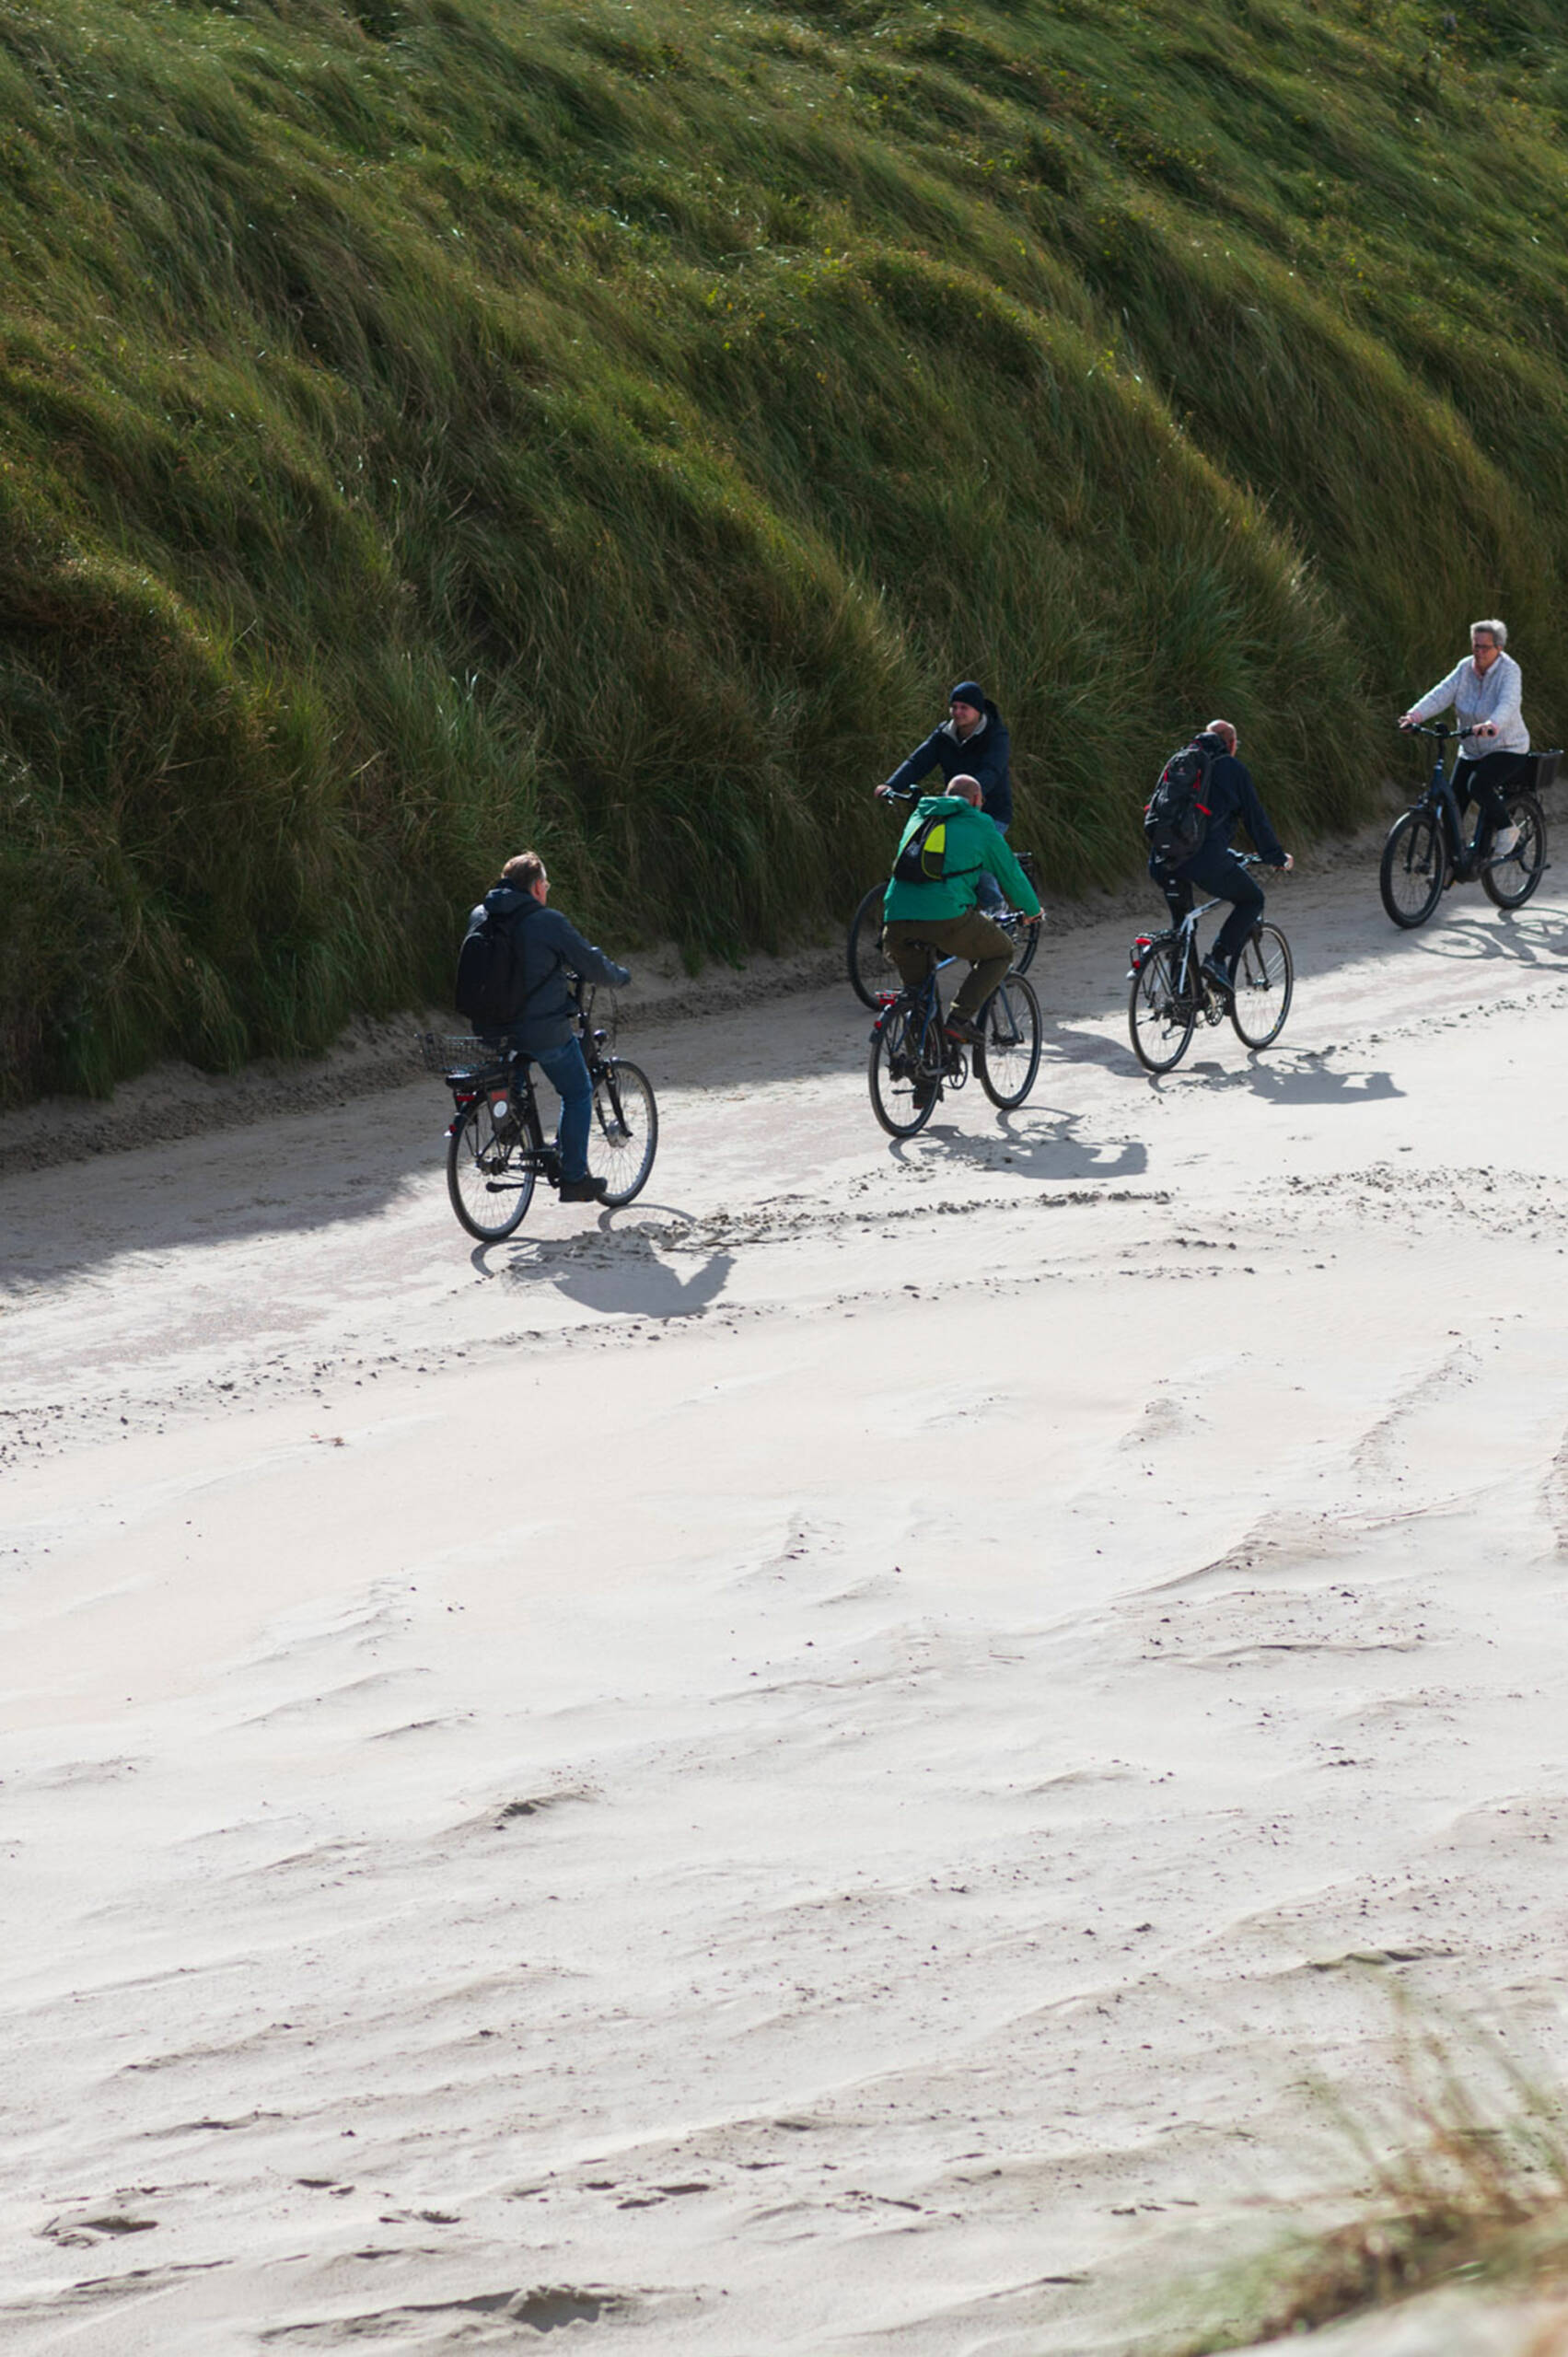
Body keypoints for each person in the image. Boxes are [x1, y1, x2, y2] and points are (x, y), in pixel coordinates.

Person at [464, 852, 632, 1204]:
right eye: (547, 885)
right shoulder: (548, 921)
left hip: (492, 1028)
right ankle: (573, 1178)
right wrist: (620, 977)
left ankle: (515, 1130)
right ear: (538, 886)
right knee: (577, 1091)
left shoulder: (481, 915)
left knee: (518, 1073)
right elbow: (591, 964)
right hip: (542, 1029)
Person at [880, 775, 1041, 1047]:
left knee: (918, 996)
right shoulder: (980, 824)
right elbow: (1010, 873)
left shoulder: (920, 816)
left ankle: (919, 1071)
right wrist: (1032, 910)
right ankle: (959, 1020)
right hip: (945, 917)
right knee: (1001, 952)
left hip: (895, 919)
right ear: (977, 800)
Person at [1152, 719, 1293, 997]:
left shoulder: (1180, 763)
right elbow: (1255, 819)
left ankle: (1182, 1000)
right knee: (1252, 899)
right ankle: (1217, 960)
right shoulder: (1232, 768)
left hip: (1162, 858)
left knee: (1182, 924)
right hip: (1204, 860)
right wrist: (1276, 856)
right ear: (1230, 744)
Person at [877, 679, 1014, 909]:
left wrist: (970, 796)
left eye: (964, 708)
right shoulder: (944, 734)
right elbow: (918, 762)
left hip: (991, 811)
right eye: (954, 707)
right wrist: (891, 785)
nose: (958, 712)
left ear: (977, 711)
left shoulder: (995, 735)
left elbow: (992, 771)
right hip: (953, 808)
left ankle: (996, 907)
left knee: (977, 857)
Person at [1400, 619, 1529, 857]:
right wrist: (1414, 715)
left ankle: (1506, 828)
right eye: (1475, 646)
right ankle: (1453, 862)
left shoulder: (1509, 670)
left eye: (1484, 647)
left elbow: (1509, 703)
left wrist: (1492, 724)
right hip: (1471, 749)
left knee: (1478, 785)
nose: (1478, 652)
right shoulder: (1464, 668)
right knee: (1453, 807)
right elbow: (1441, 693)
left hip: (1507, 747)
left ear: (1499, 648)